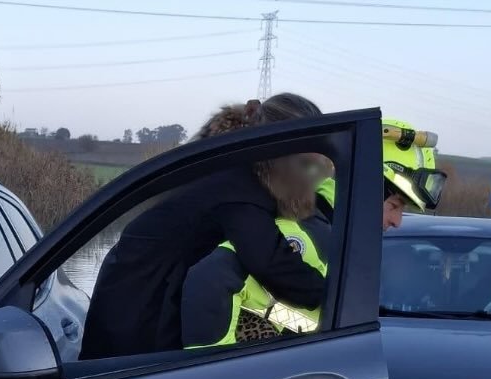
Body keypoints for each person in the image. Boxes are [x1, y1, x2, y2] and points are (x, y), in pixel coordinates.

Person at [79, 93, 332, 360]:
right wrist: (340, 296)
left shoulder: (233, 168)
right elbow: (271, 261)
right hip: (139, 300)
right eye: (307, 159)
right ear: (283, 149)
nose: (312, 170)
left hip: (137, 286)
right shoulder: (239, 187)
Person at [181, 117, 446, 348]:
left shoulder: (337, 237)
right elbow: (209, 278)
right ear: (365, 192)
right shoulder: (306, 235)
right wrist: (215, 376)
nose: (397, 221)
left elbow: (296, 319)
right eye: (394, 206)